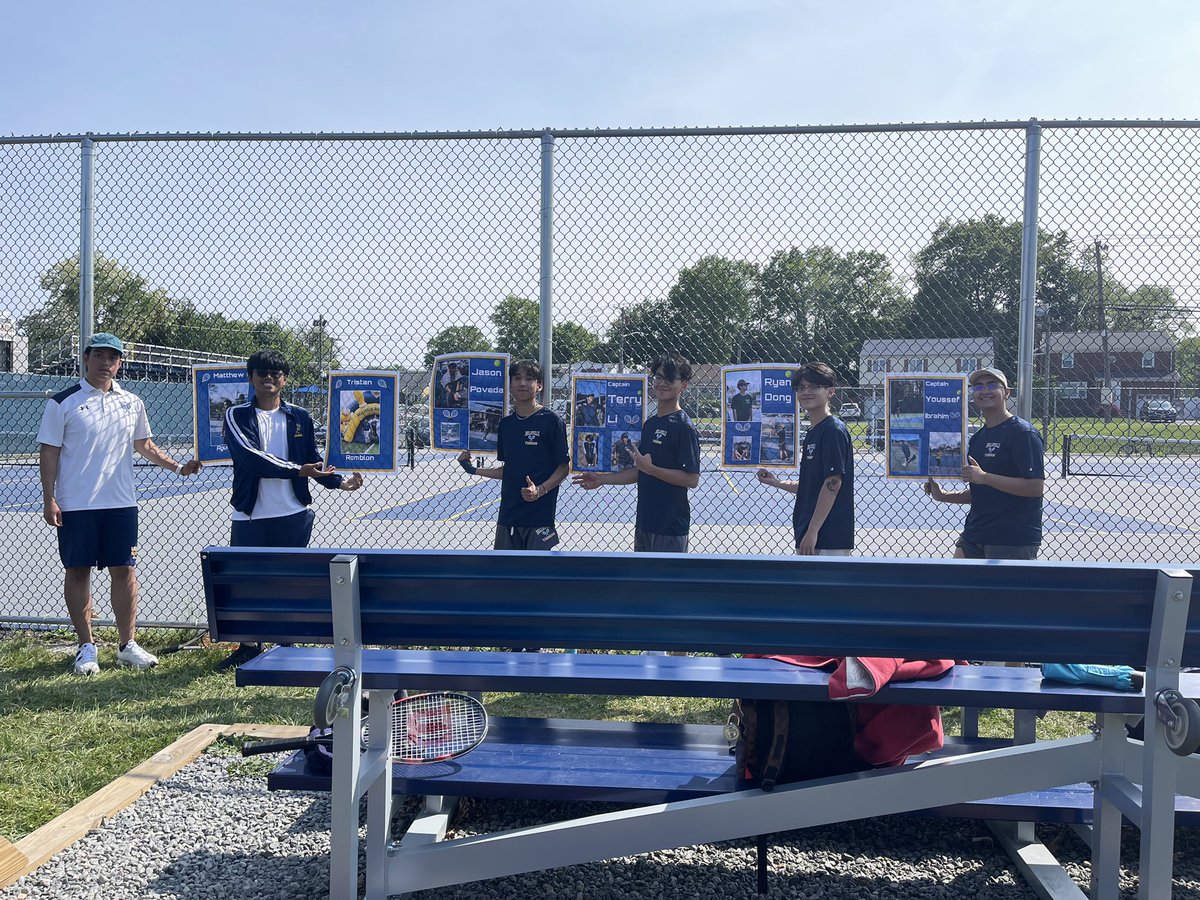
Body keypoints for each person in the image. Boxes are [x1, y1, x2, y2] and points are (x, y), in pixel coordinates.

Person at [37, 332, 202, 675]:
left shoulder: (132, 401)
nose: (105, 363)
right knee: (77, 570)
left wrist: (177, 467)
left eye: (112, 358)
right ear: (86, 358)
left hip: (121, 503)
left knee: (124, 570)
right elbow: (49, 451)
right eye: (99, 356)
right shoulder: (62, 402)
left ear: (119, 364)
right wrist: (49, 498)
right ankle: (86, 648)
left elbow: (145, 445)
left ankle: (127, 645)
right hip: (75, 504)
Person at [221, 349, 364, 667]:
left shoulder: (299, 416)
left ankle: (285, 642)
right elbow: (251, 458)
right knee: (247, 580)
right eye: (262, 372)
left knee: (288, 579)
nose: (269, 378)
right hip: (250, 513)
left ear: (284, 380)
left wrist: (340, 482)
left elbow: (310, 458)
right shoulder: (237, 415)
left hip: (293, 512)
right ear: (251, 377)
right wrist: (298, 470)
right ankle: (248, 645)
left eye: (276, 373)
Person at [573, 353, 701, 553]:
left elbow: (692, 479)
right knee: (644, 583)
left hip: (670, 527)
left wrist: (652, 469)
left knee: (665, 584)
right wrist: (601, 479)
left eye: (670, 379)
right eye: (658, 377)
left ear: (684, 385)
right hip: (645, 523)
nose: (662, 383)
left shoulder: (684, 427)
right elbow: (639, 470)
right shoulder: (650, 424)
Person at [924, 367, 1045, 559]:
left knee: (997, 590)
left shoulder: (1023, 433)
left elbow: (1035, 487)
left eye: (992, 385)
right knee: (957, 586)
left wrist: (985, 478)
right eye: (978, 387)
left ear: (1007, 393)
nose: (985, 391)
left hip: (1011, 538)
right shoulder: (978, 438)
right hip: (974, 534)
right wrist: (943, 496)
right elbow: (982, 491)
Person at [457, 359, 570, 551]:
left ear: (539, 385)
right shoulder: (506, 424)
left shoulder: (551, 421)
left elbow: (564, 467)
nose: (523, 383)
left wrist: (540, 490)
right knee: (505, 576)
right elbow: (508, 470)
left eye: (529, 378)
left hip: (539, 516)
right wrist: (473, 469)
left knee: (535, 576)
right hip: (508, 515)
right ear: (510, 384)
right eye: (517, 378)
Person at [757, 362, 854, 556]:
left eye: (815, 386)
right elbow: (812, 485)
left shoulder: (832, 430)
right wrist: (777, 482)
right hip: (810, 533)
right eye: (801, 388)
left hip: (828, 537)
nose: (806, 392)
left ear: (830, 391)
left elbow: (832, 483)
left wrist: (812, 531)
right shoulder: (814, 431)